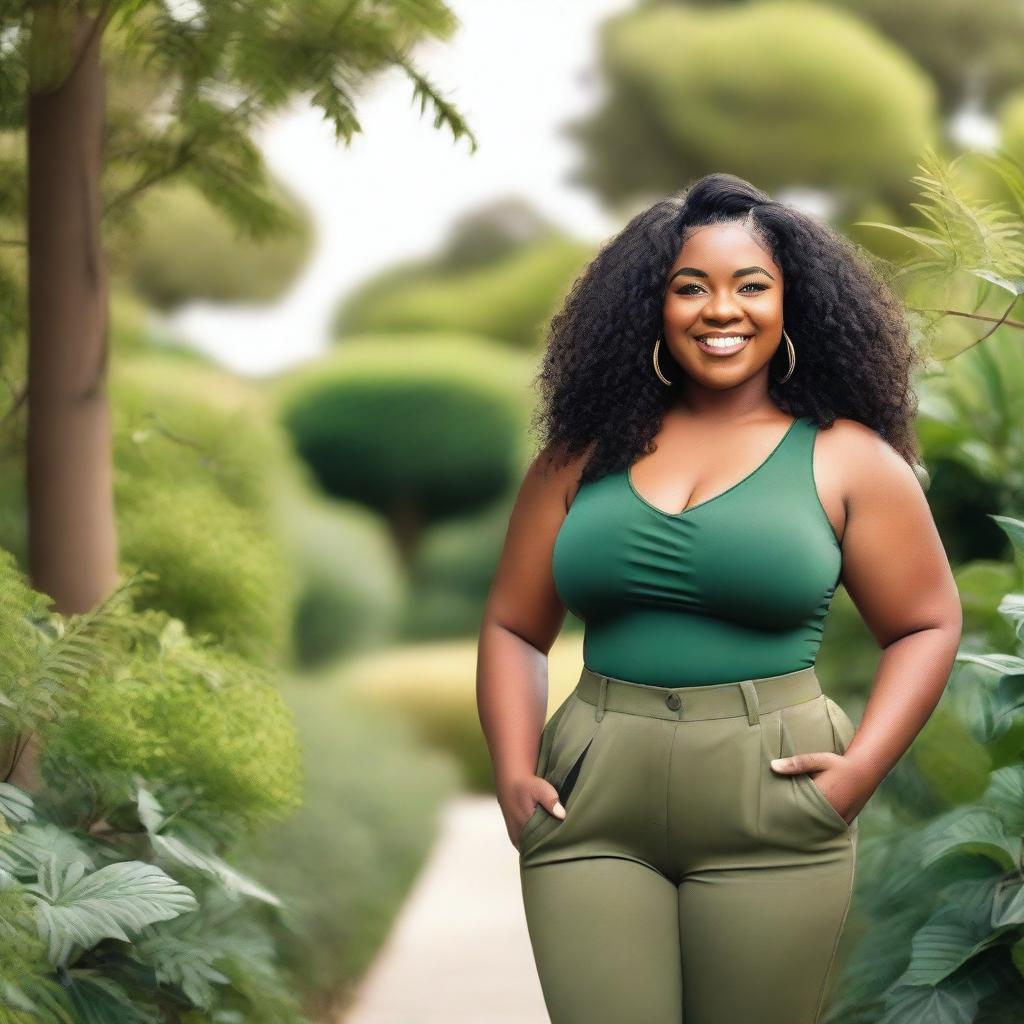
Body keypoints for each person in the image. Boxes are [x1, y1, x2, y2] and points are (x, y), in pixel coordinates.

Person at [475, 174, 964, 1024]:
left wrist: (858, 774)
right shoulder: (578, 458)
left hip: (770, 793)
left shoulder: (849, 460)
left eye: (751, 286)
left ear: (791, 306)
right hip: (594, 795)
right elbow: (515, 625)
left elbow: (926, 621)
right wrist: (513, 770)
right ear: (650, 310)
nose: (719, 309)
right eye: (689, 287)